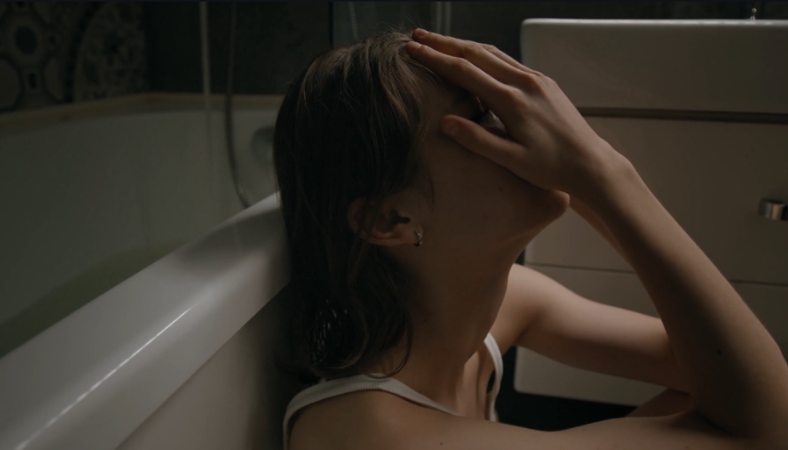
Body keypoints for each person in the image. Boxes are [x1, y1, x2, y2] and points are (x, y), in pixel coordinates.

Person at [272, 28, 788, 450]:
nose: (525, 128)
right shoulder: (370, 436)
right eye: (480, 117)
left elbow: (725, 378)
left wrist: (584, 173)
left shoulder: (505, 302)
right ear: (391, 220)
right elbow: (768, 427)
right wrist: (605, 176)